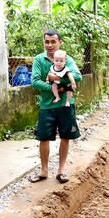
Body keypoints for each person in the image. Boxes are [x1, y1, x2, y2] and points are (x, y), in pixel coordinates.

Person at [30, 30, 82, 184]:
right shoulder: (39, 60)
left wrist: (54, 78)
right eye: (47, 41)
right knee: (44, 138)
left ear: (60, 42)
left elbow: (77, 76)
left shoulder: (67, 59)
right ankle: (44, 170)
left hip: (66, 106)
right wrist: (59, 86)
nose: (50, 45)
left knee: (65, 137)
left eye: (53, 41)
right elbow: (35, 81)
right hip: (47, 106)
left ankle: (61, 171)